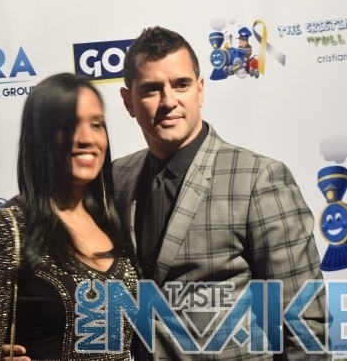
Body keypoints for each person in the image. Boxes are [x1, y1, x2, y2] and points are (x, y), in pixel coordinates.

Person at [113, 26, 328, 360]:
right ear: (129, 101)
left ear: (200, 90)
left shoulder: (259, 178)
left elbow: (304, 324)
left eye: (181, 85)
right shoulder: (117, 177)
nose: (169, 101)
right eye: (152, 89)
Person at [0, 73, 138, 361]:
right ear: (39, 137)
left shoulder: (113, 218)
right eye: (68, 125)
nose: (87, 139)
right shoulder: (2, 229)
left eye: (97, 125)